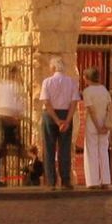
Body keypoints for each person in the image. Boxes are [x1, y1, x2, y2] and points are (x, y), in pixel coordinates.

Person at [39, 59, 79, 189]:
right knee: (65, 148)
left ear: (53, 68)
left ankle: (51, 181)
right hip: (66, 114)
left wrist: (56, 120)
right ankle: (66, 180)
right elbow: (74, 103)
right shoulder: (71, 82)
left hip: (50, 116)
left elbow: (46, 102)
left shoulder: (47, 82)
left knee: (49, 149)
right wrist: (67, 120)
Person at [0, 68, 27, 187]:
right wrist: (16, 118)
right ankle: (31, 170)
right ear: (14, 75)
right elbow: (9, 106)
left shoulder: (1, 85)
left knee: (3, 149)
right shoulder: (9, 87)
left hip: (3, 119)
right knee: (12, 147)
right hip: (6, 119)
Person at [79, 67, 112, 189]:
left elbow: (91, 111)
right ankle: (105, 180)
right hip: (105, 124)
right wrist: (105, 125)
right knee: (103, 151)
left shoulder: (87, 92)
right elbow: (109, 108)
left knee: (91, 151)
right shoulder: (105, 90)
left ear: (87, 78)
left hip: (93, 125)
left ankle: (93, 181)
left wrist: (98, 126)